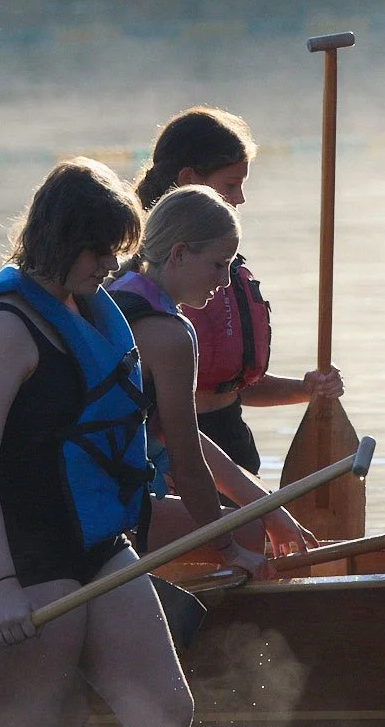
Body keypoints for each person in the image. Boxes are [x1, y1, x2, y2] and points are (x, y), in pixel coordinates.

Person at [0, 159, 241, 727]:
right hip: (24, 553)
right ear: (60, 239)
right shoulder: (2, 329)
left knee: (166, 712)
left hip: (98, 543)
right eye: (99, 249)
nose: (111, 265)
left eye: (116, 250)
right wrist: (4, 585)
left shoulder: (91, 310)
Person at [133, 107, 344, 476]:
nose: (241, 198)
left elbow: (228, 385)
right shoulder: (146, 282)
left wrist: (306, 389)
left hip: (231, 442)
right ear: (189, 179)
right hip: (173, 459)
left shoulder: (212, 271)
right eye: (230, 185)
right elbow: (168, 413)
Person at [108, 187, 314, 562]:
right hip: (103, 508)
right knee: (246, 529)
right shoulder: (168, 332)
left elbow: (183, 437)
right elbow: (187, 458)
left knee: (249, 517)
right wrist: (229, 548)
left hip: (88, 490)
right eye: (220, 265)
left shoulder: (115, 292)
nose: (224, 283)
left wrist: (266, 504)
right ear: (180, 253)